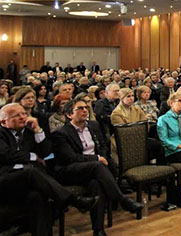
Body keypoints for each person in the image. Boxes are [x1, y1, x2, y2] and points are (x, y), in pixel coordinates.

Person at [0, 103, 97, 236]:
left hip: (29, 182)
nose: (23, 117)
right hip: (6, 180)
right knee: (30, 172)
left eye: (24, 113)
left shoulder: (28, 131)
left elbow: (46, 152)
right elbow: (6, 155)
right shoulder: (1, 134)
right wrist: (33, 156)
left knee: (38, 197)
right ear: (3, 121)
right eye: (17, 115)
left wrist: (38, 130)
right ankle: (73, 200)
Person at [52, 98, 144, 235]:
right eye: (80, 108)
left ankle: (98, 230)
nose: (84, 110)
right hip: (71, 170)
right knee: (96, 165)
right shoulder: (61, 133)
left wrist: (102, 157)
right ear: (69, 115)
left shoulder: (93, 126)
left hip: (95, 171)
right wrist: (97, 158)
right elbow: (70, 158)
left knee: (97, 185)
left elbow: (102, 146)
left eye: (85, 108)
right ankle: (122, 199)